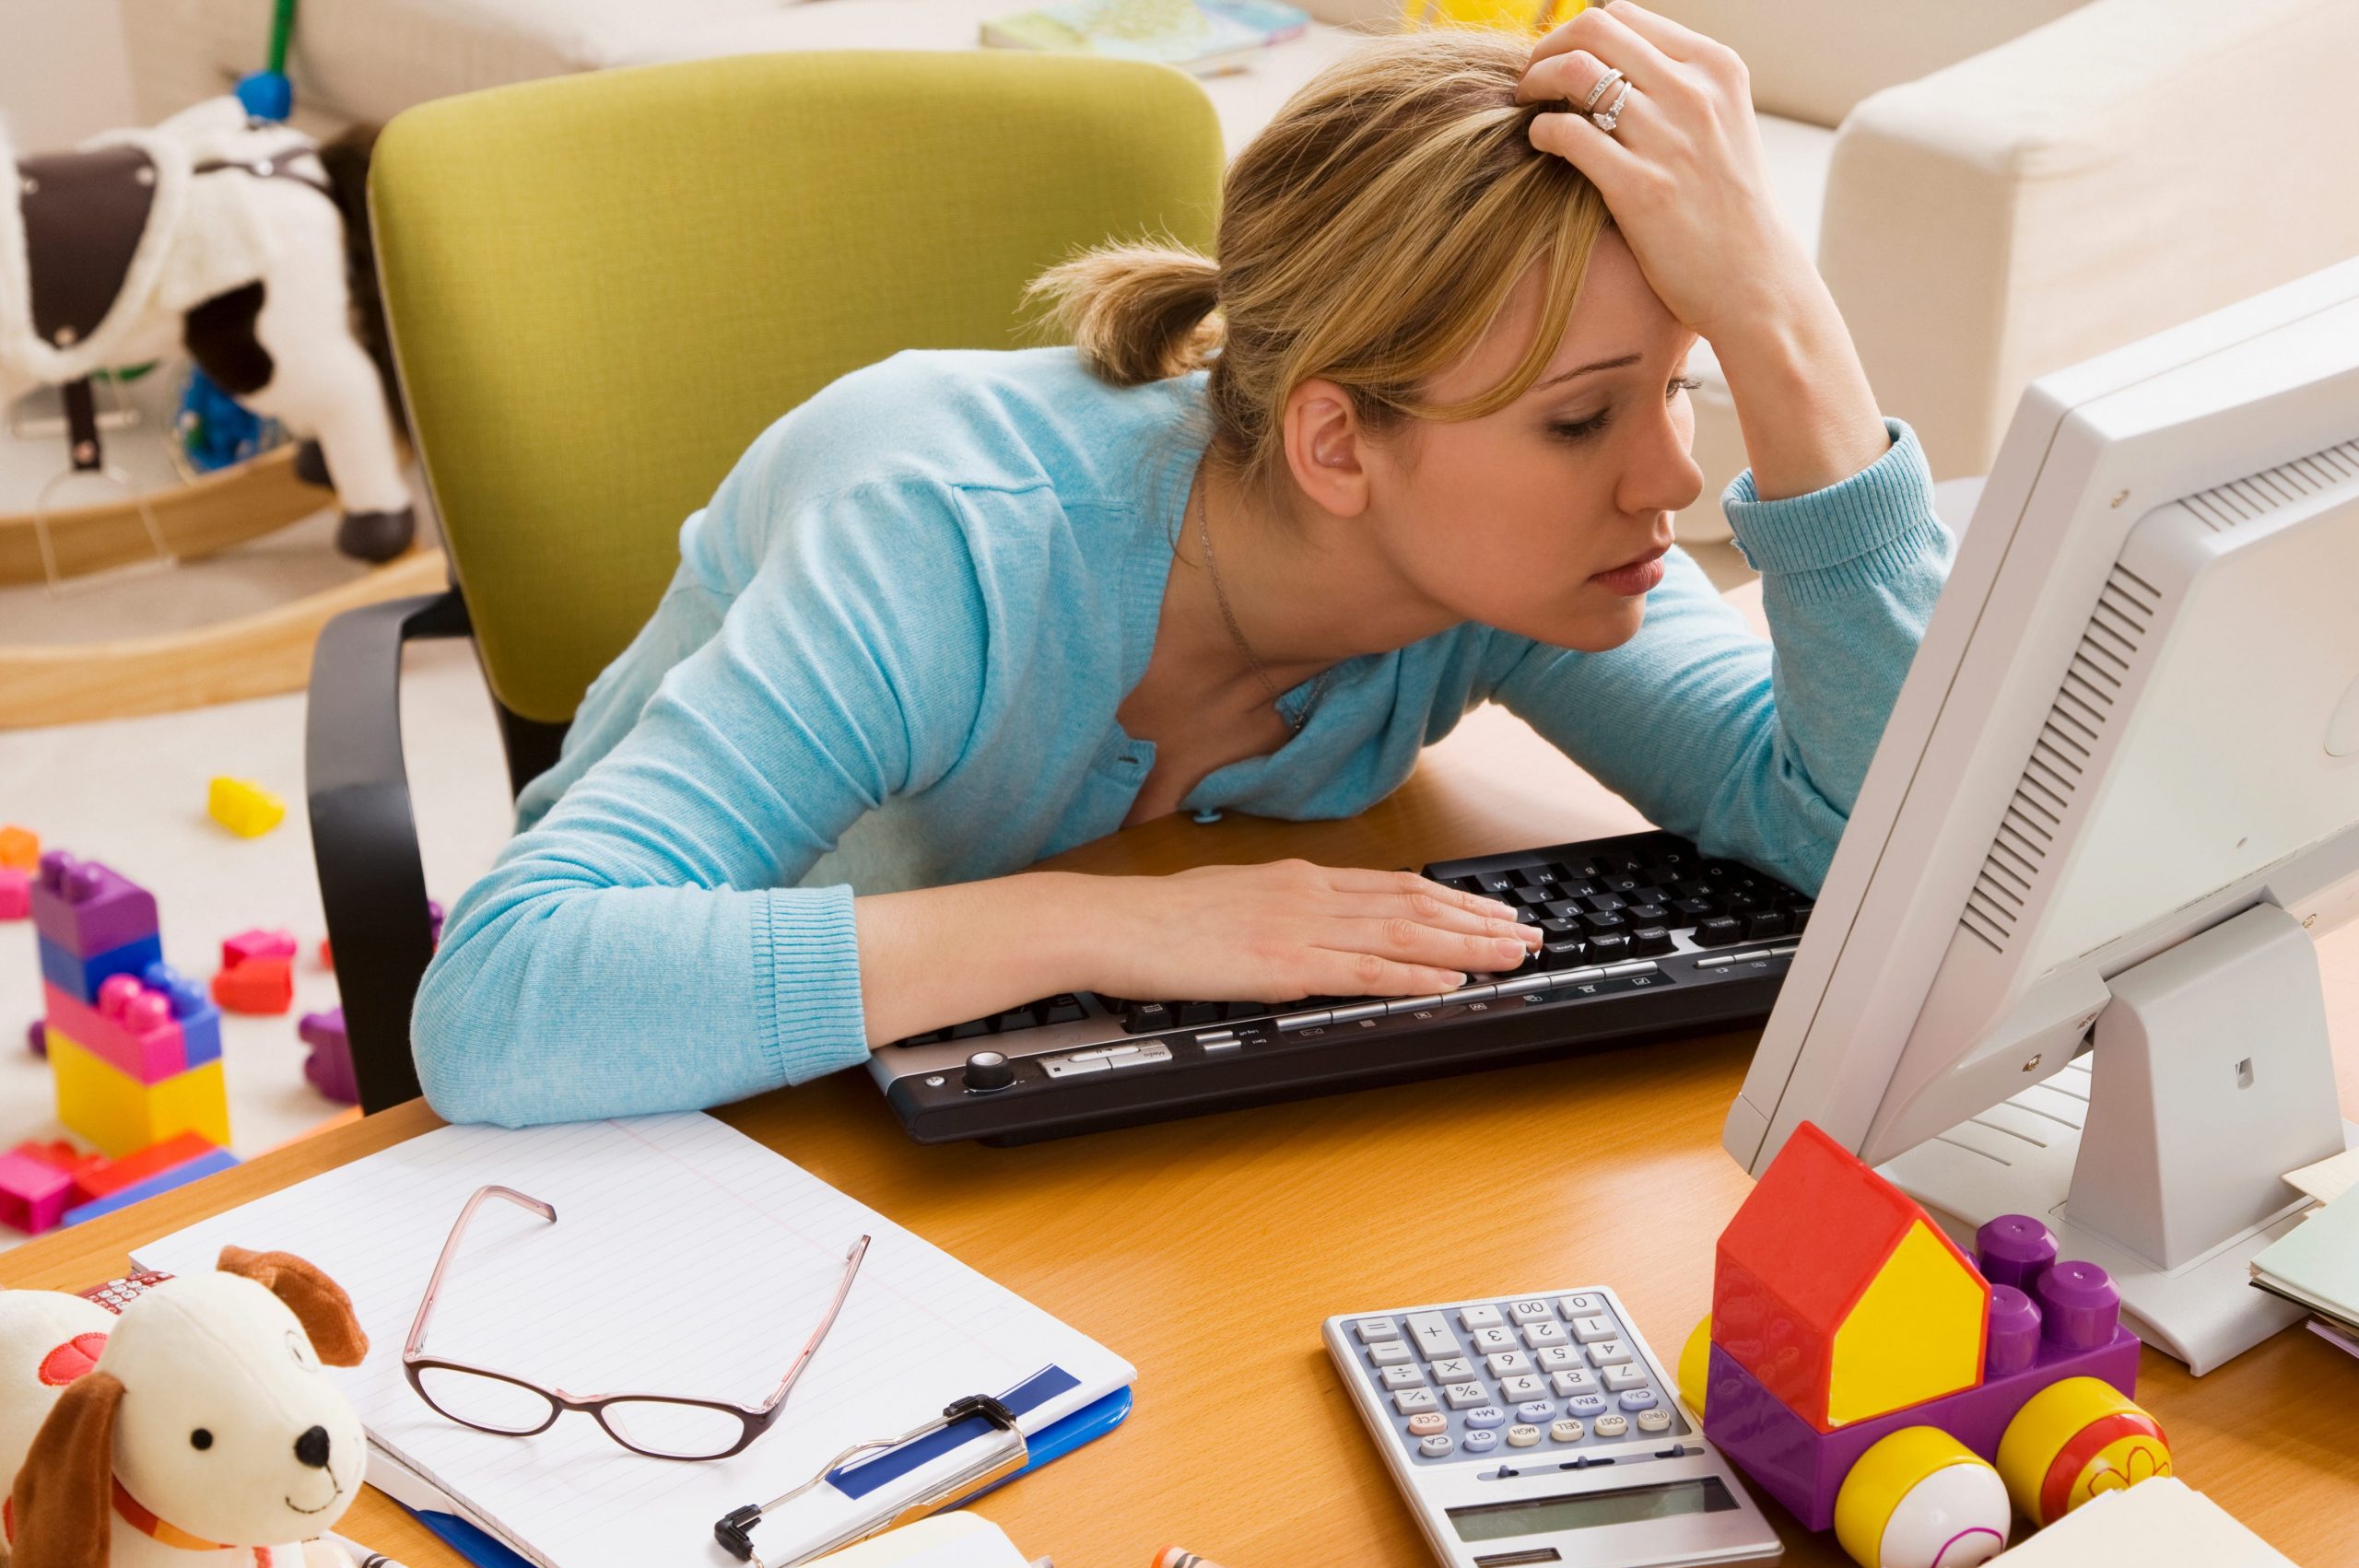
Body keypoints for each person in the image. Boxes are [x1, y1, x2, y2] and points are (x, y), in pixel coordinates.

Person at [413, 7, 1954, 1128]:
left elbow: (1882, 844)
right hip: (716, 1117)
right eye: (1578, 420)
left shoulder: (1500, 580)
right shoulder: (946, 538)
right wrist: (1105, 923)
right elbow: (504, 997)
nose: (1675, 481)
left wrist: (1783, 324)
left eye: (1677, 386)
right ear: (1337, 445)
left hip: (1037, 1131)